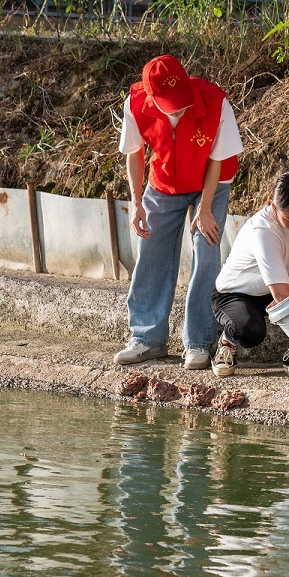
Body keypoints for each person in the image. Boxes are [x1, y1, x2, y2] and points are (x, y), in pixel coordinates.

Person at [114, 54, 243, 370]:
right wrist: (135, 202)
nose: (179, 107)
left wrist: (205, 208)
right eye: (170, 102)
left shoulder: (214, 100)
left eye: (181, 99)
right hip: (163, 183)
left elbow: (217, 160)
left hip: (210, 181)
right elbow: (134, 153)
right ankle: (147, 338)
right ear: (151, 96)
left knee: (206, 250)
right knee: (151, 250)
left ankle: (199, 343)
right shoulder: (135, 103)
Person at [211, 171, 289, 380]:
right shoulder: (263, 230)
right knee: (250, 331)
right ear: (272, 205)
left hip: (281, 283)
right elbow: (281, 296)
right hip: (237, 294)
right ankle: (227, 341)